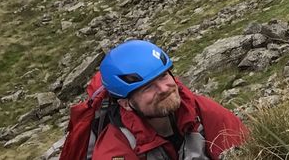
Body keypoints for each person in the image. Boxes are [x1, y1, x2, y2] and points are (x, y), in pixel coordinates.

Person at [92, 40, 248, 159]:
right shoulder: (114, 148)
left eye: (163, 76)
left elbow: (247, 151)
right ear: (126, 104)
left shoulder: (201, 111)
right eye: (147, 87)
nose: (164, 89)